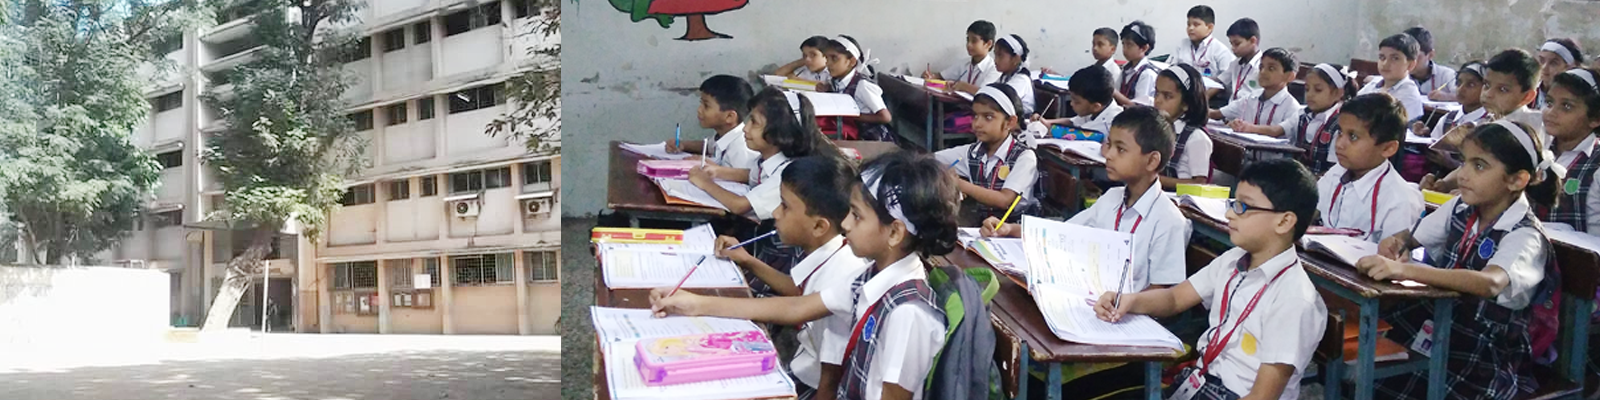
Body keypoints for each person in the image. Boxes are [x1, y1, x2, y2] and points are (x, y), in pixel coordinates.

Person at [653, 151, 961, 400]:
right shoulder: (872, 277)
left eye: (856, 216)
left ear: (894, 232)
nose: (846, 224)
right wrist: (695, 303)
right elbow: (797, 306)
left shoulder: (908, 313)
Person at [1096, 158, 1327, 400]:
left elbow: (1262, 397)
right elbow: (1175, 298)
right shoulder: (1234, 259)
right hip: (1202, 381)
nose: (1229, 214)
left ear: (1284, 221)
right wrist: (1130, 301)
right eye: (1233, 203)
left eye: (1243, 207)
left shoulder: (1293, 300)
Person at [1361, 121, 1561, 400]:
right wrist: (1396, 243)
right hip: (1441, 323)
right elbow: (1411, 237)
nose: (1463, 174)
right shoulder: (1461, 207)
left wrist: (1405, 270)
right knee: (1370, 367)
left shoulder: (1525, 235)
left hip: (1484, 350)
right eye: (1464, 161)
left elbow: (1489, 282)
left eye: (1479, 166)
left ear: (1517, 180)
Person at [1317, 93, 1425, 243]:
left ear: (1388, 148)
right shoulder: (1336, 173)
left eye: (1353, 137)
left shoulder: (1400, 200)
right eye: (1340, 132)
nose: (1339, 143)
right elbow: (1310, 211)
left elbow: (1393, 254)